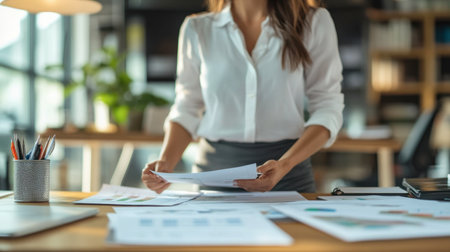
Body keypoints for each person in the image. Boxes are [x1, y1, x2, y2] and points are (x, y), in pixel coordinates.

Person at [142, 0, 344, 193]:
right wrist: (166, 162)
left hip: (287, 177)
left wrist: (285, 164)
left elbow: (328, 106)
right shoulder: (197, 28)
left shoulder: (314, 22)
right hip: (213, 179)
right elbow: (187, 107)